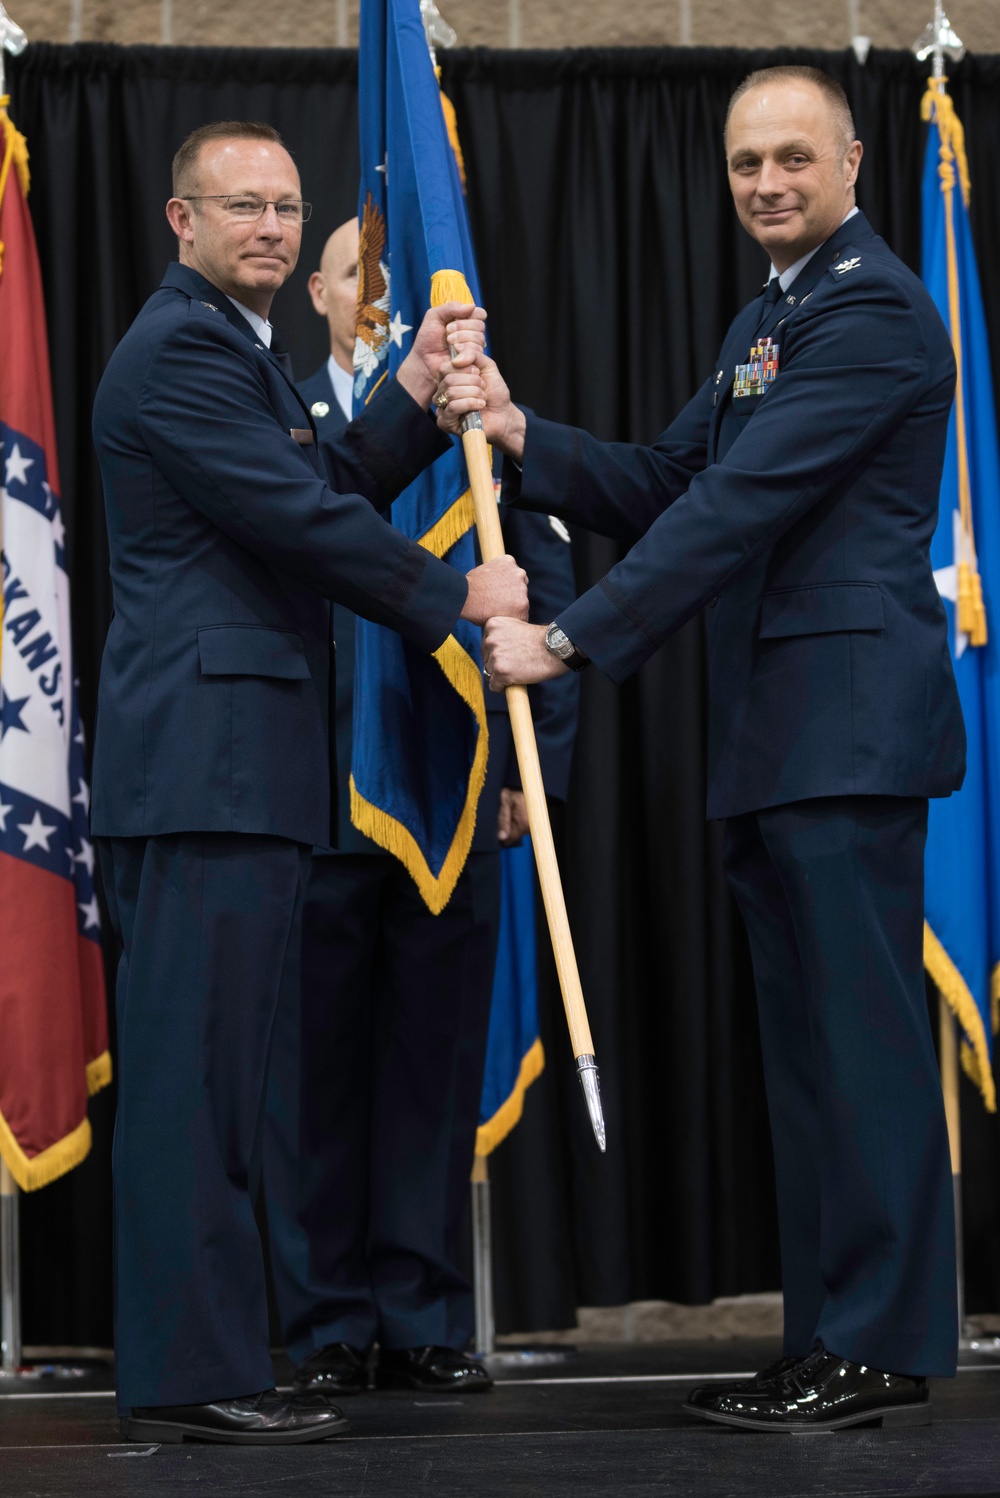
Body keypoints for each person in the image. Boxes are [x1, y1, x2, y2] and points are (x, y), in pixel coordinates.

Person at [437, 66, 964, 1433]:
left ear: (854, 160)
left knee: (862, 1049)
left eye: (793, 157)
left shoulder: (875, 315)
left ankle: (890, 1336)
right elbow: (671, 479)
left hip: (844, 733)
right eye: (745, 164)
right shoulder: (769, 315)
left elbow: (736, 507)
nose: (768, 183)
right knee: (805, 1058)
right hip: (774, 736)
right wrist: (516, 432)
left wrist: (572, 639)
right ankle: (831, 1333)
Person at [90, 120, 528, 1446]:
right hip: (203, 771)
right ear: (182, 221)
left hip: (241, 771)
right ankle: (189, 1369)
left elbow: (325, 477)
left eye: (287, 206)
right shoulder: (179, 351)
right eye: (244, 208)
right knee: (194, 1086)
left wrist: (408, 387)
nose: (274, 227)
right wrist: (461, 593)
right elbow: (302, 522)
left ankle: (207, 1356)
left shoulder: (242, 352)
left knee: (224, 1082)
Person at [261, 220, 578, 1396]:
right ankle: (330, 1325)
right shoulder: (276, 413)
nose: (380, 300)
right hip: (315, 792)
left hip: (454, 788)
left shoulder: (474, 429)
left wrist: (524, 767)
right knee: (316, 1079)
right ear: (318, 290)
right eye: (359, 276)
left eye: (399, 284)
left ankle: (428, 1312)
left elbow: (546, 597)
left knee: (432, 1067)